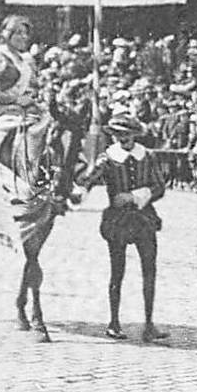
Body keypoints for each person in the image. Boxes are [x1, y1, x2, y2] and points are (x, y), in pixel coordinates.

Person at [80, 113, 168, 343]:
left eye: (127, 134)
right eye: (118, 134)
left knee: (149, 270)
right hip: (117, 222)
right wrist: (88, 173)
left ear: (134, 135)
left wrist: (133, 196)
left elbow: (159, 187)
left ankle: (149, 324)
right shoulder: (107, 158)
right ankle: (114, 322)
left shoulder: (147, 157)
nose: (123, 139)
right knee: (117, 272)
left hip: (143, 218)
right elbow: (87, 181)